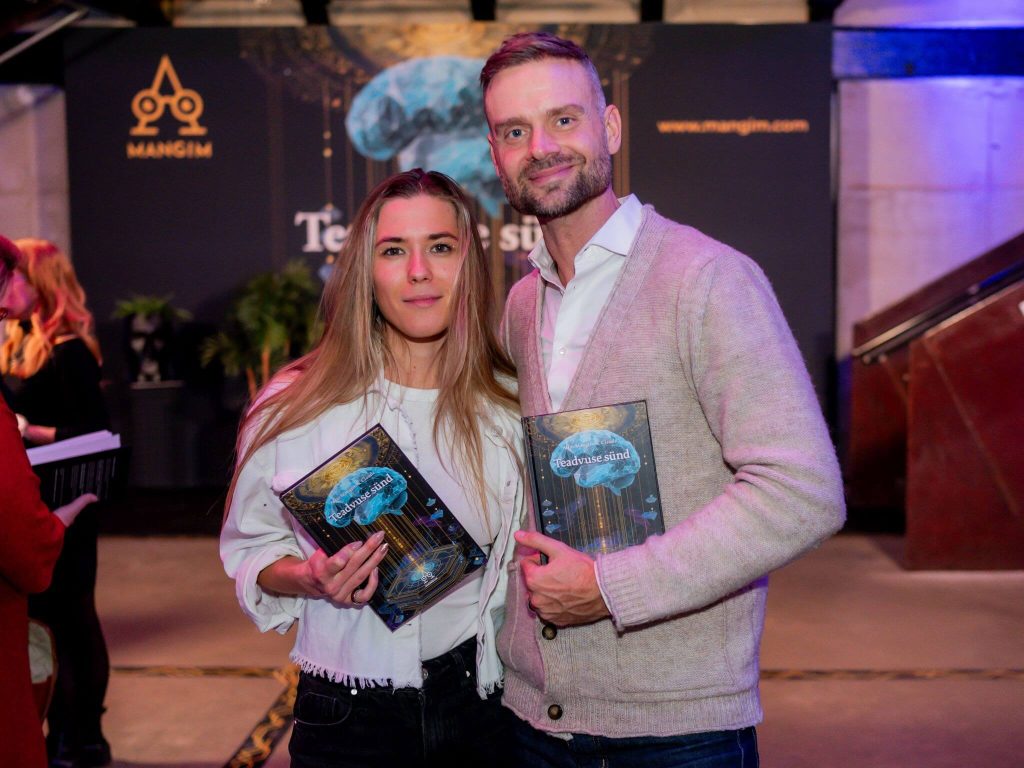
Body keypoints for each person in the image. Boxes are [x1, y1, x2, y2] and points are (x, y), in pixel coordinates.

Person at [480, 32, 846, 766]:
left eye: (563, 119)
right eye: (514, 131)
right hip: (533, 720)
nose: (540, 148)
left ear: (610, 127)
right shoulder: (522, 303)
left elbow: (803, 491)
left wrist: (611, 587)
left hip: (676, 731)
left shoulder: (707, 280)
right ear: (495, 153)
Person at [221, 169, 524, 767]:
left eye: (441, 247)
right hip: (348, 713)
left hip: (485, 707)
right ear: (366, 270)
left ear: (470, 263)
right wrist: (308, 577)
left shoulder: (510, 404)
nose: (420, 271)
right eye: (393, 251)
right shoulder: (296, 406)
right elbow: (251, 547)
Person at [0, 238, 112, 768]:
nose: (10, 289)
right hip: (28, 508)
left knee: (73, 622)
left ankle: (83, 736)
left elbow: (96, 433)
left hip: (66, 500)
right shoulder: (21, 344)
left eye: (16, 275)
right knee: (45, 627)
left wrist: (28, 430)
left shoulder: (71, 351)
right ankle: (60, 732)